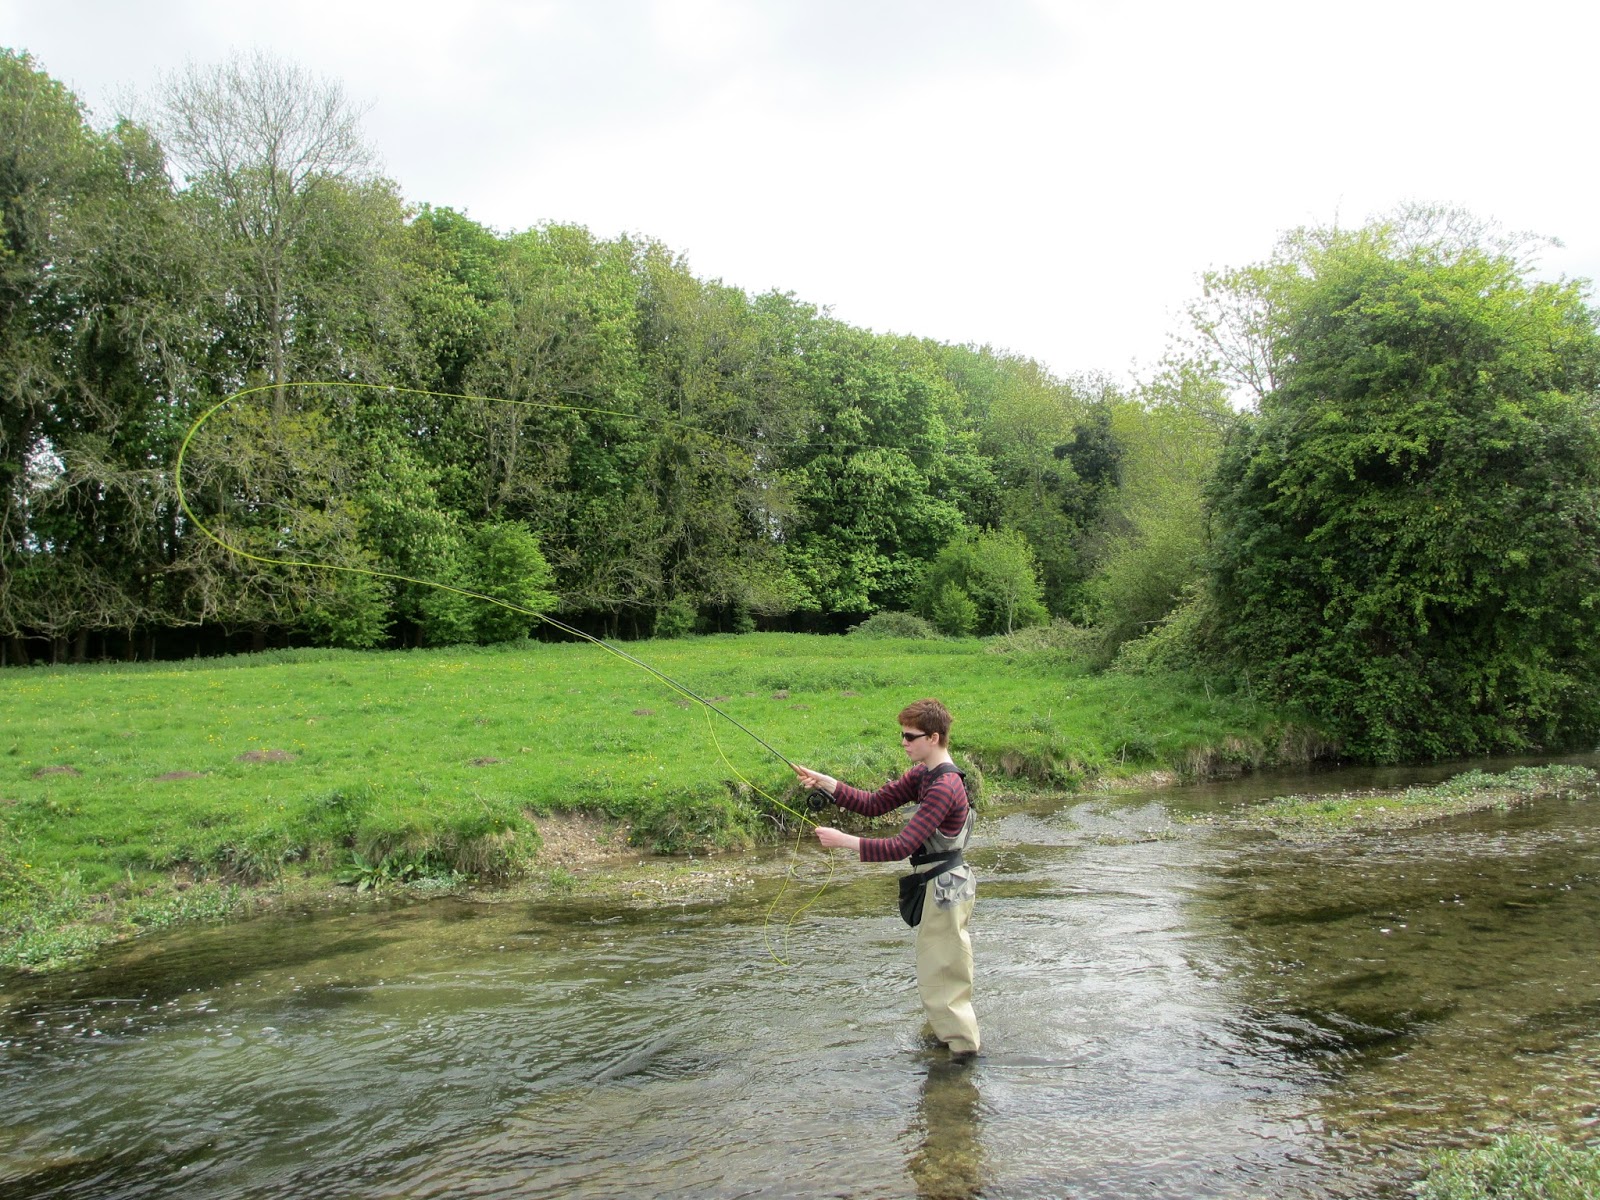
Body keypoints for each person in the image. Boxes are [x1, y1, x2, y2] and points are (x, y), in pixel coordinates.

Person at [793, 698, 980, 1059]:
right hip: (940, 887)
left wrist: (843, 842)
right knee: (938, 974)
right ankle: (948, 1045)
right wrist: (827, 783)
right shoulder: (924, 776)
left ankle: (963, 1061)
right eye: (903, 734)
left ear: (935, 737)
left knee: (944, 979)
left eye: (911, 736)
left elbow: (902, 845)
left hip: (945, 891)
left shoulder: (944, 787)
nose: (904, 742)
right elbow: (874, 803)